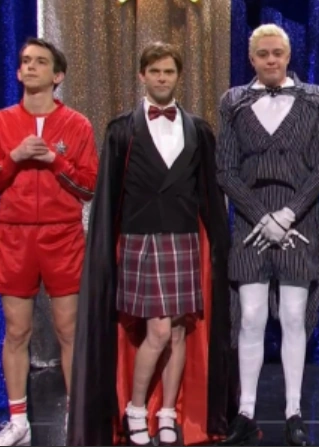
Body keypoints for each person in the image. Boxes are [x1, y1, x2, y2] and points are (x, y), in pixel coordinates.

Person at [66, 41, 236, 446]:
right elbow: (108, 197)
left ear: (179, 76)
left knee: (177, 332)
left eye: (169, 72)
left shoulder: (198, 129)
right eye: (155, 71)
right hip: (140, 241)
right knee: (158, 331)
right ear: (142, 75)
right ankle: (135, 410)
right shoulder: (121, 130)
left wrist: (219, 247)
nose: (162, 78)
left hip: (183, 240)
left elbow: (209, 194)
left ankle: (168, 412)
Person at [0, 37, 98, 447]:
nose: (30, 67)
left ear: (57, 76)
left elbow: (89, 187)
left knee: (69, 330)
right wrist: (14, 158)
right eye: (25, 61)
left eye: (40, 62)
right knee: (16, 331)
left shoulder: (77, 124)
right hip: (15, 235)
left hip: (63, 235)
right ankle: (18, 423)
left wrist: (54, 160)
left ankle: (75, 418)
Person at [215, 23, 319, 447]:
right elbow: (225, 170)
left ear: (288, 56)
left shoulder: (316, 99)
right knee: (250, 317)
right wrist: (262, 217)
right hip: (251, 222)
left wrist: (285, 216)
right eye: (262, 53)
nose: (270, 59)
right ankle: (245, 412)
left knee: (293, 317)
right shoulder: (233, 101)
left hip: (299, 220)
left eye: (277, 53)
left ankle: (293, 412)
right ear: (251, 59)